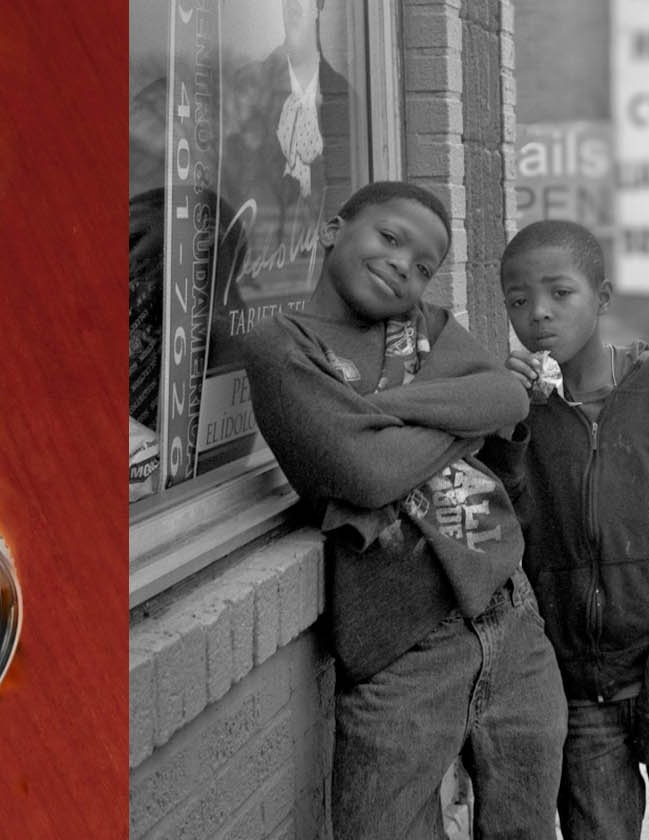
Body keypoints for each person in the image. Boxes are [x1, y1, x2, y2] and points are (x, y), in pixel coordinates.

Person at [243, 181, 566, 839]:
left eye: (424, 266)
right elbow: (367, 474)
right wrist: (460, 422)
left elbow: (506, 397)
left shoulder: (427, 328)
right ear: (335, 228)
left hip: (510, 613)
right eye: (389, 238)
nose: (402, 266)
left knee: (526, 826)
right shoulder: (283, 345)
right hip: (403, 644)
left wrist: (374, 414)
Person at [494, 219, 649, 839]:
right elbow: (510, 536)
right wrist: (507, 424)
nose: (540, 315)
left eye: (561, 293)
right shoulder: (522, 413)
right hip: (583, 700)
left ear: (602, 297)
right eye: (519, 301)